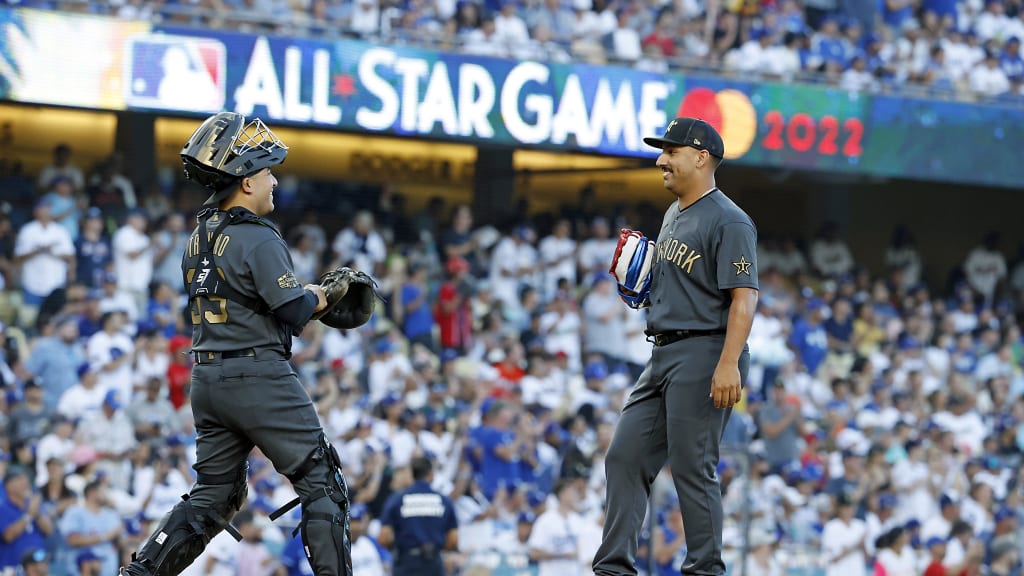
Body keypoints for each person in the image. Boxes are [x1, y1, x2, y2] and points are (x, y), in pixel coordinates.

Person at [120, 111, 353, 576]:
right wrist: (322, 294)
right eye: (267, 172)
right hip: (258, 375)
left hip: (208, 379)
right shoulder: (257, 235)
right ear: (246, 181)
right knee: (323, 482)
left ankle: (141, 573)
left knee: (214, 496)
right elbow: (293, 309)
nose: (273, 181)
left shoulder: (198, 236)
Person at [592, 117, 758, 576]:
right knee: (625, 456)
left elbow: (744, 298)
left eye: (671, 151)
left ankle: (706, 570)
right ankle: (613, 569)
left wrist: (728, 363)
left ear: (701, 157)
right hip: (663, 351)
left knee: (692, 467)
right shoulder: (673, 214)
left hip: (706, 351)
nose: (661, 160)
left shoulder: (730, 219)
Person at [378, 456, 458, 576]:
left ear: (412, 474)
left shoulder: (397, 500)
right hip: (434, 563)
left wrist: (398, 548)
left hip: (406, 562)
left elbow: (384, 538)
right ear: (431, 474)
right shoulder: (444, 501)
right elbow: (453, 539)